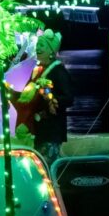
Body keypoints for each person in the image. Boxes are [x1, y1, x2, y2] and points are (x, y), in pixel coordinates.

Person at [30, 29, 73, 166]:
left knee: (47, 169)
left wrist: (51, 98)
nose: (38, 48)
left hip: (52, 132)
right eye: (37, 45)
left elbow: (69, 98)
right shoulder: (42, 72)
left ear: (51, 52)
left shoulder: (58, 71)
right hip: (41, 131)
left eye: (42, 45)